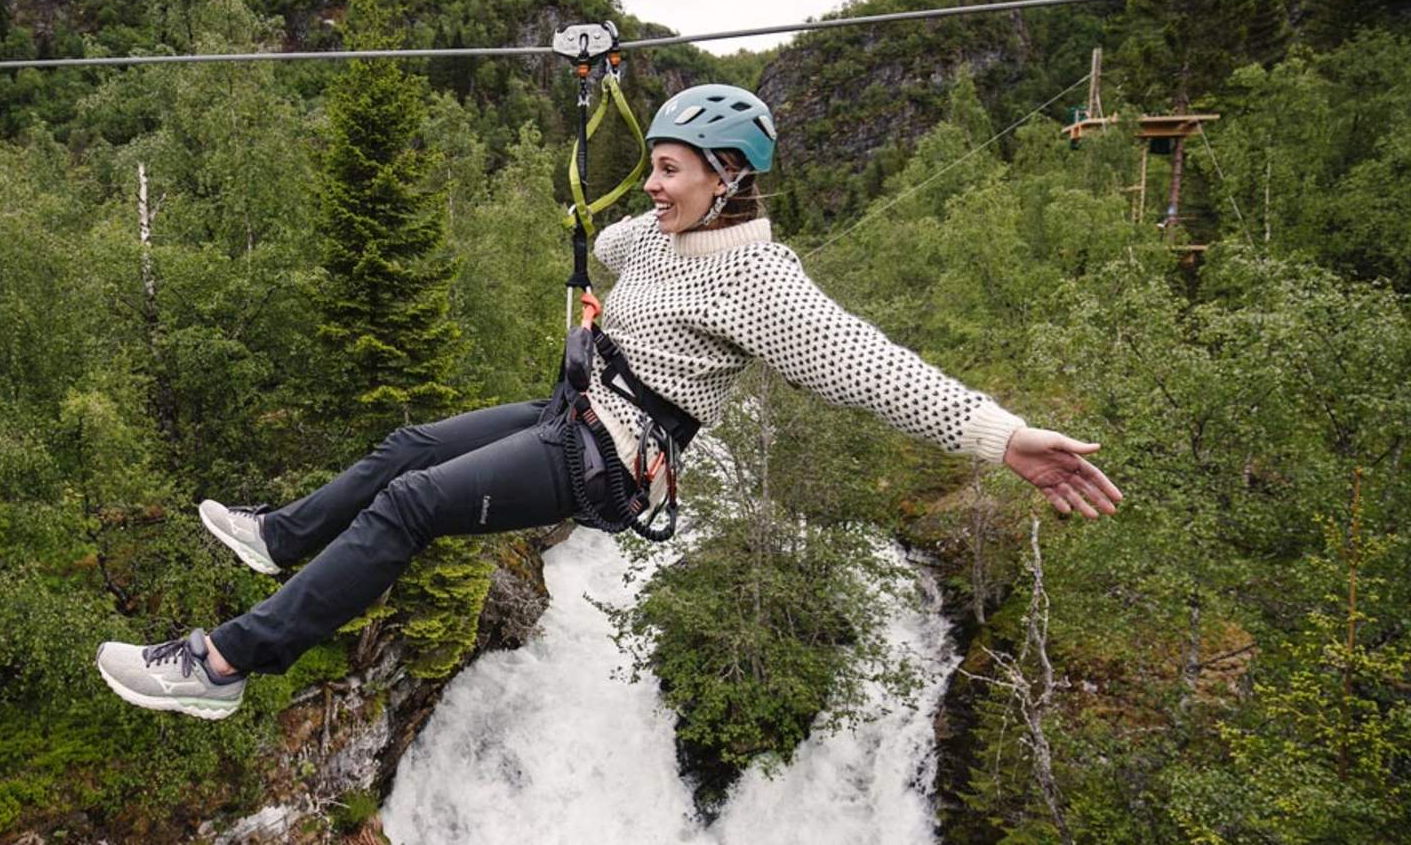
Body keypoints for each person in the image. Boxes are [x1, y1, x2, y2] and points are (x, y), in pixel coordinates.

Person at [95, 83, 1122, 720]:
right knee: (405, 446)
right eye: (653, 168)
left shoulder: (763, 283)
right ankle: (280, 537)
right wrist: (607, 116)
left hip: (608, 458)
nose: (653, 187)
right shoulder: (664, 238)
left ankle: (223, 662)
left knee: (408, 507)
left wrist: (1003, 437)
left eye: (669, 171)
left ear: (729, 178)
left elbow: (871, 365)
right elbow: (619, 237)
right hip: (572, 413)